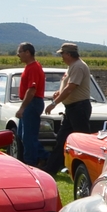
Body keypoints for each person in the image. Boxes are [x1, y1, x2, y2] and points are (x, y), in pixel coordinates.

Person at [44, 42, 92, 175]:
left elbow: (71, 88)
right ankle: (50, 169)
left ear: (69, 54)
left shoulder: (78, 66)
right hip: (72, 109)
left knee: (82, 142)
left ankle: (87, 169)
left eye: (63, 54)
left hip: (79, 108)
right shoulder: (72, 66)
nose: (62, 57)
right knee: (61, 140)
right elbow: (66, 87)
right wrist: (59, 93)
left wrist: (54, 103)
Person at [13, 42, 45, 167]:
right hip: (29, 103)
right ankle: (43, 156)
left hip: (32, 103)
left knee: (28, 136)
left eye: (19, 52)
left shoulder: (34, 68)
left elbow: (31, 90)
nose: (18, 55)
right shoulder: (29, 67)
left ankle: (30, 163)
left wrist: (22, 108)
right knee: (22, 134)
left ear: (27, 52)